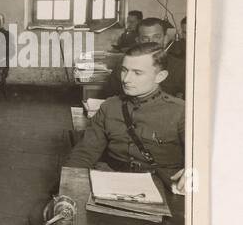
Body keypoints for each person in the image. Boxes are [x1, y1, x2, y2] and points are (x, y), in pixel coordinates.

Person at [66, 41, 186, 190]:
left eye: (137, 72)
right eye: (124, 70)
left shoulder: (181, 112)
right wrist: (67, 187)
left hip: (161, 186)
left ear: (160, 76)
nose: (126, 79)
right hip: (112, 179)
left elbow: (203, 160)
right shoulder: (110, 106)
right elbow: (85, 153)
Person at [101, 16, 185, 99]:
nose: (151, 42)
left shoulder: (180, 67)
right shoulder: (123, 66)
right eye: (145, 38)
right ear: (138, 41)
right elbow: (108, 97)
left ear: (165, 39)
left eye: (157, 37)